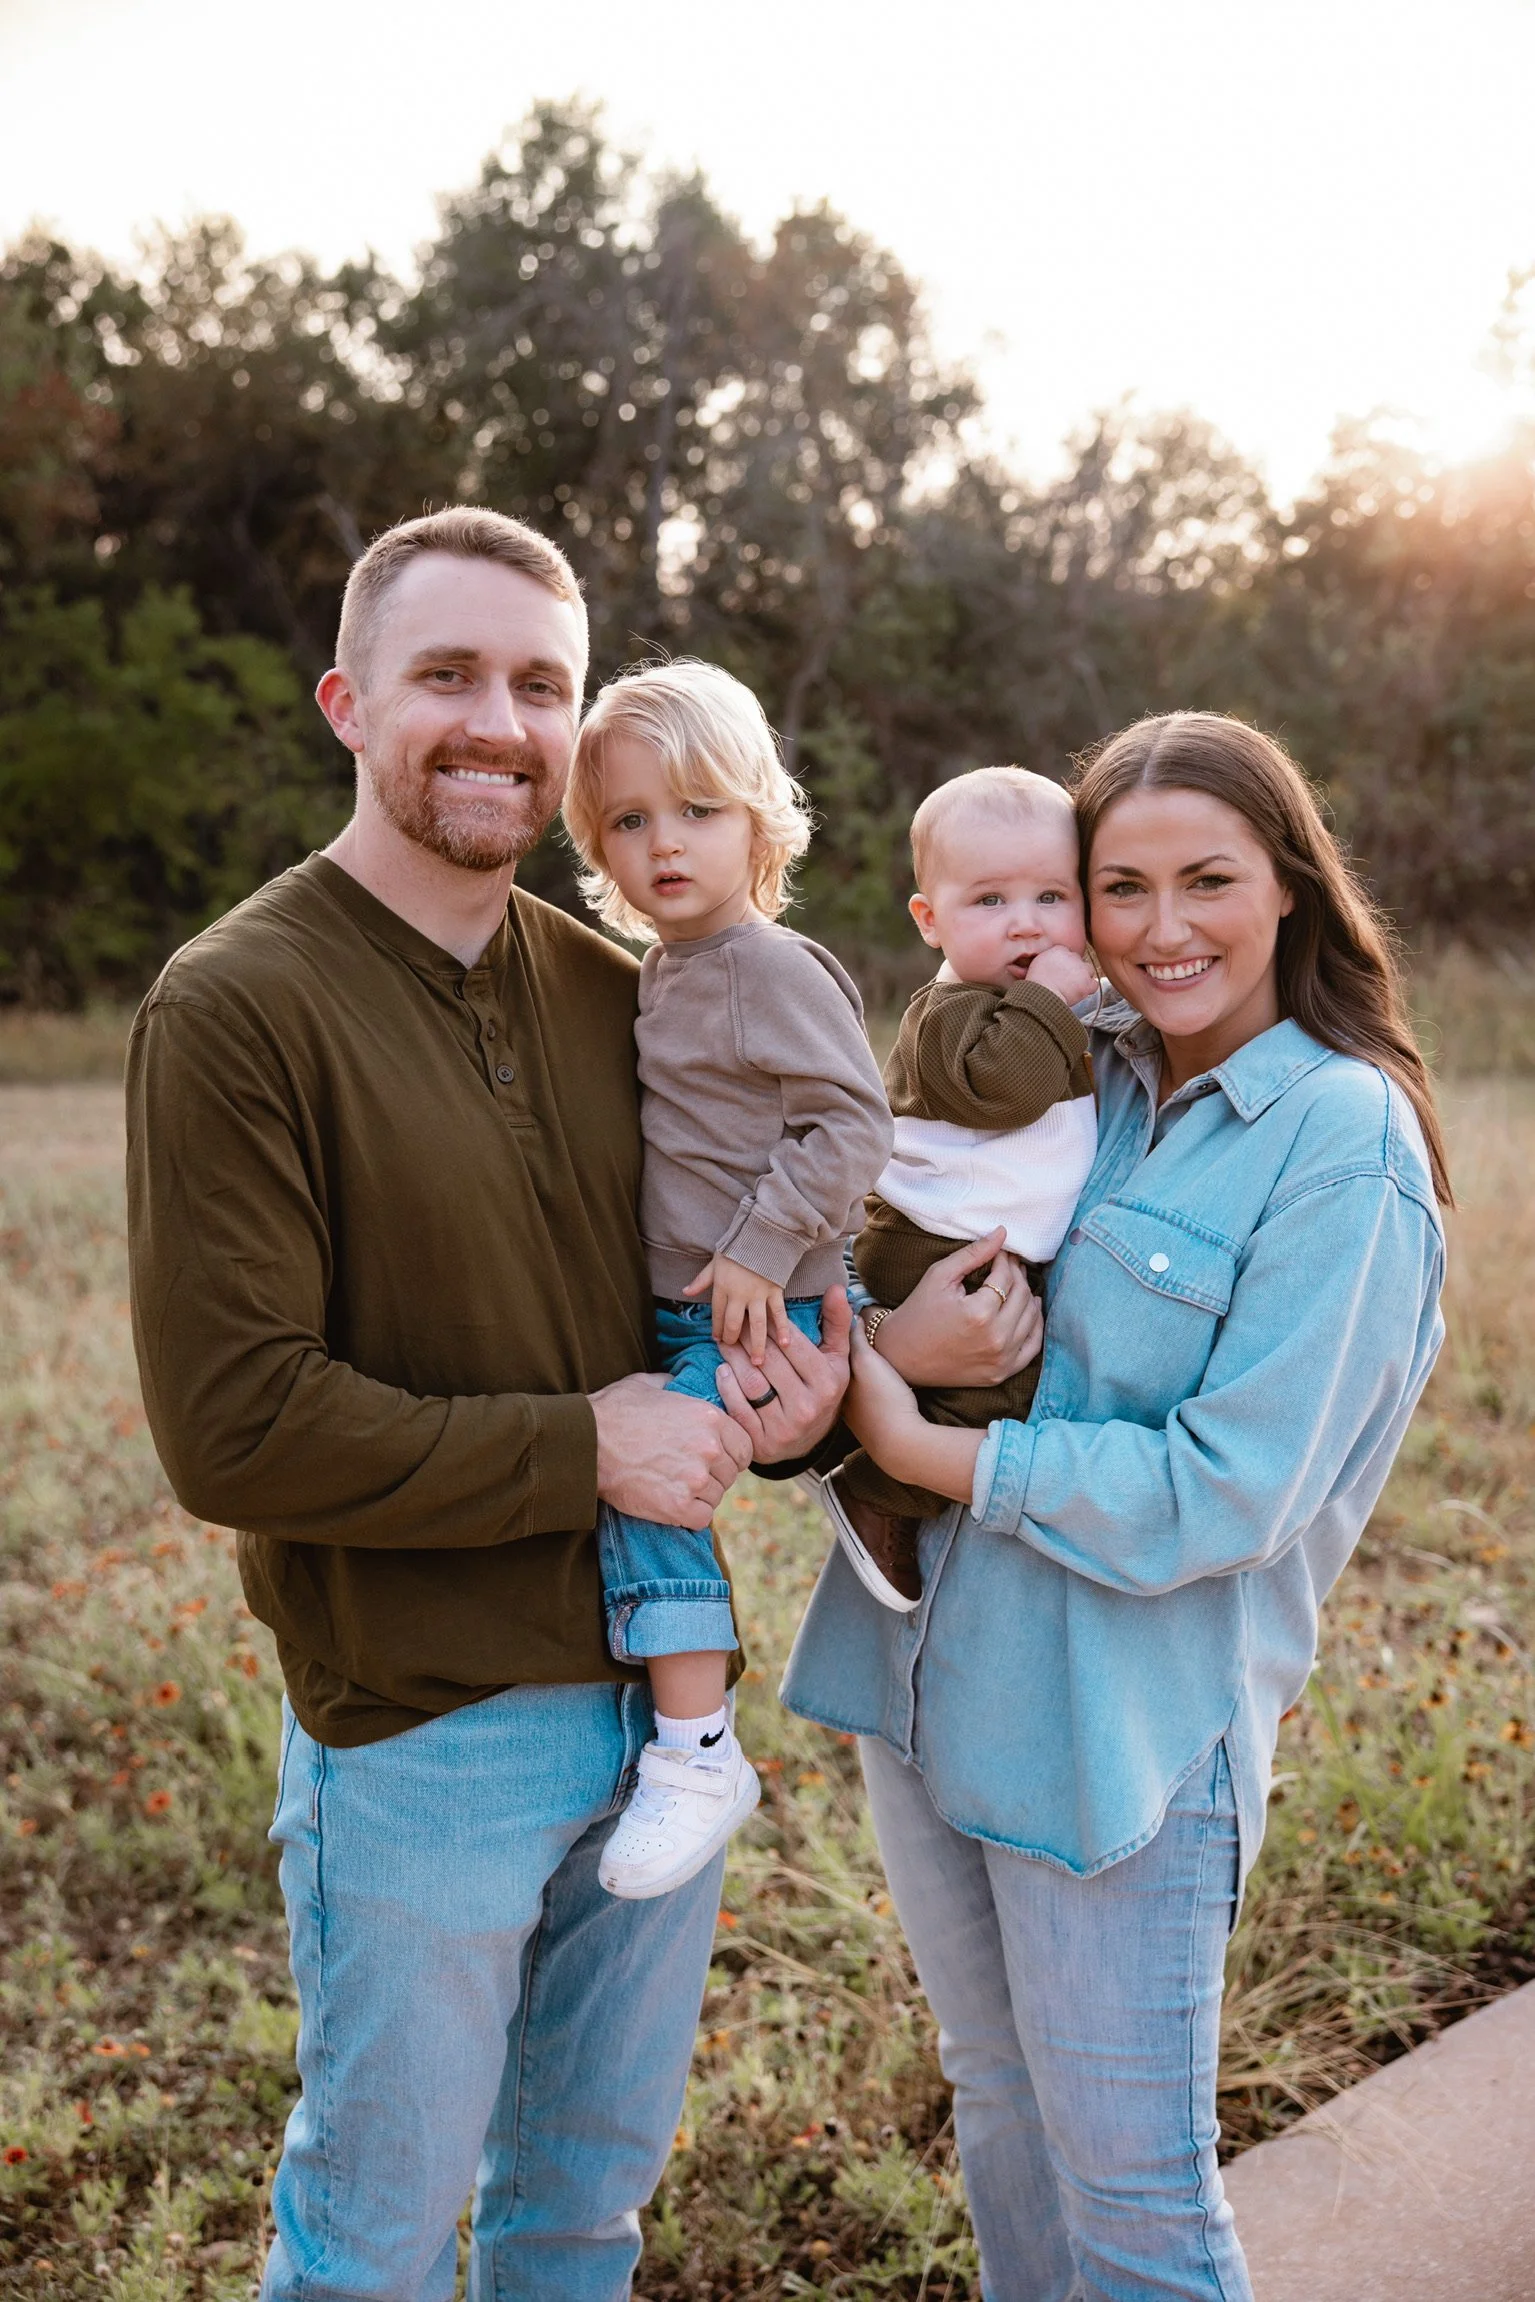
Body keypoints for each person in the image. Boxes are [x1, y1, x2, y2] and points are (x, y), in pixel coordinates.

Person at [125, 507, 849, 2302]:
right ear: (349, 702)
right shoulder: (237, 1003)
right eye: (447, 674)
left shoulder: (631, 989)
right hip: (424, 1729)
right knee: (370, 2250)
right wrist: (589, 1442)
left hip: (659, 1710)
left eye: (541, 684)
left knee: (579, 2222)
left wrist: (796, 1399)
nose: (498, 723)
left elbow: (714, 1285)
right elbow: (235, 1426)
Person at [782, 711, 1449, 2302]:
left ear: (1287, 884)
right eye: (1116, 888)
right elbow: (886, 1228)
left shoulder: (1337, 1142)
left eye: (1203, 880)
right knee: (998, 2105)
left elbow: (1229, 1487)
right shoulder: (1072, 1067)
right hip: (927, 1676)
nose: (1158, 930)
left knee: (1133, 2201)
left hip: (1116, 1739)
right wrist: (889, 1349)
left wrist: (923, 1443)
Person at [558, 658, 891, 1898]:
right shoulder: (666, 967)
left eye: (697, 811)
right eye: (628, 820)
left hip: (755, 1300)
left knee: (653, 1488)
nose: (663, 844)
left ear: (758, 818)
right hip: (685, 1300)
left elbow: (853, 1123)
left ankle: (697, 1752)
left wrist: (759, 1242)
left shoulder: (766, 965)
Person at [816, 765, 1098, 1611]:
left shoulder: (1032, 1004)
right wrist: (1050, 999)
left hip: (971, 1236)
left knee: (999, 1376)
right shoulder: (949, 1013)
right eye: (989, 901)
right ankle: (877, 1491)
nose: (1026, 922)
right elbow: (1001, 1087)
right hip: (928, 1240)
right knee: (997, 1389)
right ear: (929, 920)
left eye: (1052, 897)